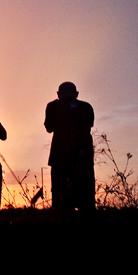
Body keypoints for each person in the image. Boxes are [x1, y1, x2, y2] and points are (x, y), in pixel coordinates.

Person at [44, 82, 96, 211]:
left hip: (60, 156)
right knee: (86, 199)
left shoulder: (53, 106)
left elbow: (49, 128)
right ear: (77, 94)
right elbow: (89, 124)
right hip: (83, 156)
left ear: (58, 94)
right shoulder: (86, 107)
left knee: (61, 201)